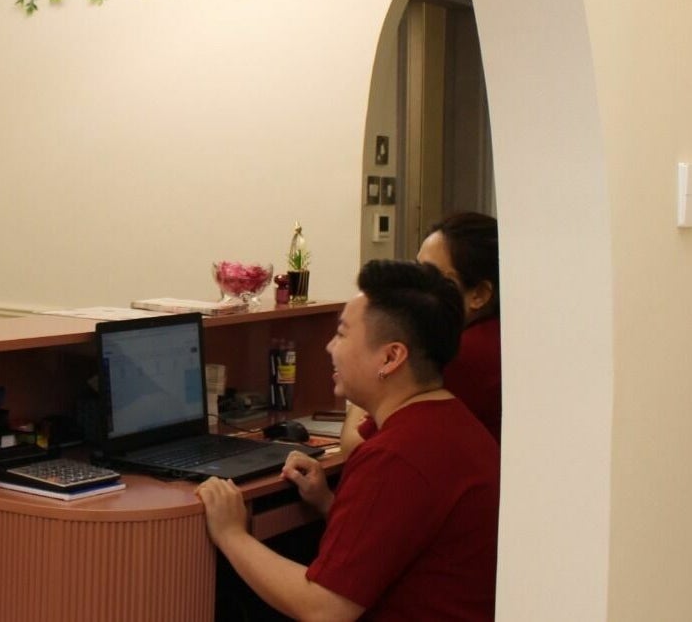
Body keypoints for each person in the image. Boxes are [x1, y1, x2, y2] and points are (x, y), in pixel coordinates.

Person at [197, 260, 499, 621]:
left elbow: (325, 609)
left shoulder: (397, 457)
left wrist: (232, 534)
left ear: (390, 357)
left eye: (341, 334)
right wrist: (329, 502)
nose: (328, 347)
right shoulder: (451, 423)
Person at [341, 212, 501, 453]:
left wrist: (366, 377)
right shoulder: (500, 337)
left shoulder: (459, 354)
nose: (417, 287)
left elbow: (356, 446)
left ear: (479, 294)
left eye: (432, 275)